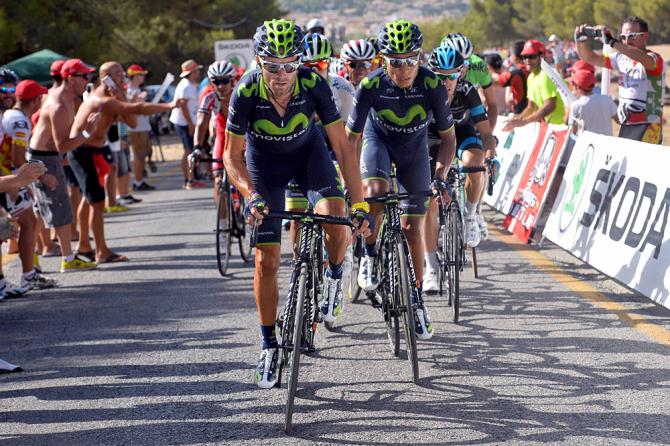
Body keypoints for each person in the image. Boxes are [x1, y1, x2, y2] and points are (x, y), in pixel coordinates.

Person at [223, 19, 371, 389]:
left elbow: (342, 147)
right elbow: (231, 156)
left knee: (336, 218)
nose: (282, 74)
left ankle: (336, 274)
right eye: (272, 65)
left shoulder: (313, 84)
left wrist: (361, 205)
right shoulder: (244, 92)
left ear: (299, 63)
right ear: (259, 62)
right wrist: (250, 194)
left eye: (290, 64)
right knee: (266, 259)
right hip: (265, 168)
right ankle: (269, 343)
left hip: (310, 157)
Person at [348, 20, 456, 340]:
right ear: (383, 60)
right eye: (397, 61)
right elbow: (350, 142)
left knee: (412, 230)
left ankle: (418, 302)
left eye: (412, 59)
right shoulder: (370, 85)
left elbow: (449, 140)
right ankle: (369, 256)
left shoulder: (432, 84)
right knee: (376, 192)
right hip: (377, 142)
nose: (406, 68)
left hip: (413, 151)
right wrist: (351, 184)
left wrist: (440, 176)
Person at [68, 61, 184, 264]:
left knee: (90, 199)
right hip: (82, 151)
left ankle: (85, 246)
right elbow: (138, 108)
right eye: (118, 74)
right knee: (96, 201)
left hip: (94, 149)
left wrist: (120, 97)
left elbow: (130, 122)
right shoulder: (102, 100)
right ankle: (100, 251)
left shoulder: (113, 99)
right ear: (107, 77)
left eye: (122, 74)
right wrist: (169, 105)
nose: (123, 77)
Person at [284, 33, 356, 314]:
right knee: (296, 216)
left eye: (321, 65)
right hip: (298, 149)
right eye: (308, 66)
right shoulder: (290, 88)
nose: (315, 72)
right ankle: (299, 266)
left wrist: (351, 176)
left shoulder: (342, 89)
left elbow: (350, 141)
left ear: (330, 64)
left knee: (335, 210)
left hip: (330, 148)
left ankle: (336, 261)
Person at [422, 46, 497, 294]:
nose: (446, 82)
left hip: (463, 134)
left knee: (473, 165)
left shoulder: (467, 92)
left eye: (451, 76)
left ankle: (471, 215)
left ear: (461, 73)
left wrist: (490, 155)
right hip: (432, 140)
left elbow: (485, 133)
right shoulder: (423, 92)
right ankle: (431, 268)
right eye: (440, 76)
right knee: (429, 202)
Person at [29, 59, 99, 273]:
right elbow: (62, 144)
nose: (87, 80)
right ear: (71, 79)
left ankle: (33, 257)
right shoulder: (59, 103)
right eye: (84, 76)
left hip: (44, 156)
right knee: (59, 208)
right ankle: (67, 258)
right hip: (45, 158)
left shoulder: (67, 98)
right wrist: (88, 131)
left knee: (40, 210)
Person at [1, 80, 57, 291]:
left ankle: (25, 275)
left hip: (9, 179)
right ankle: (27, 275)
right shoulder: (20, 121)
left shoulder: (9, 116)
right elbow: (17, 159)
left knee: (24, 224)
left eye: (11, 89)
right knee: (27, 225)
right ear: (35, 100)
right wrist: (38, 178)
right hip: (9, 180)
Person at [575, 16, 665, 144]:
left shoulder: (654, 59)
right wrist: (580, 41)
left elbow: (643, 59)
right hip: (626, 124)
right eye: (623, 37)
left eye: (632, 36)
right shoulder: (620, 58)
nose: (627, 40)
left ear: (645, 36)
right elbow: (590, 58)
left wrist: (613, 42)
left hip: (648, 125)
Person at [193, 60, 237, 208]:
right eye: (216, 82)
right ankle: (224, 225)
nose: (220, 86)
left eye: (224, 81)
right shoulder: (209, 98)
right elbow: (201, 124)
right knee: (218, 179)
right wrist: (197, 148)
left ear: (232, 80)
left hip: (241, 138)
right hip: (221, 138)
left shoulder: (242, 95)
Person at [503, 40, 566, 131]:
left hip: (562, 127)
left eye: (532, 56)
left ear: (542, 56)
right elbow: (532, 107)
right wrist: (518, 119)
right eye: (524, 57)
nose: (527, 60)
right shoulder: (531, 77)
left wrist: (524, 122)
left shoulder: (546, 75)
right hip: (552, 128)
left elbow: (549, 106)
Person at [170, 59, 204, 189]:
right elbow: (182, 106)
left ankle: (191, 178)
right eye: (196, 71)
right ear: (192, 72)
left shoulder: (189, 84)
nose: (198, 73)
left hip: (186, 122)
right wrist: (190, 124)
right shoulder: (186, 86)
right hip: (183, 123)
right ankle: (188, 180)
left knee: (190, 150)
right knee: (188, 151)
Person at [126, 64, 156, 192]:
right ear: (134, 76)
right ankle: (138, 182)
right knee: (138, 156)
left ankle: (140, 181)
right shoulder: (130, 91)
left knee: (143, 155)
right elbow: (130, 111)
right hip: (136, 129)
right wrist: (140, 102)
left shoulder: (137, 90)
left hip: (142, 127)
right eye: (141, 75)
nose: (143, 77)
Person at [567, 69, 617, 135]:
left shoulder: (575, 106)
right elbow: (619, 119)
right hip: (606, 143)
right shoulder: (606, 99)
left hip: (588, 144)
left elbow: (572, 132)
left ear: (577, 87)